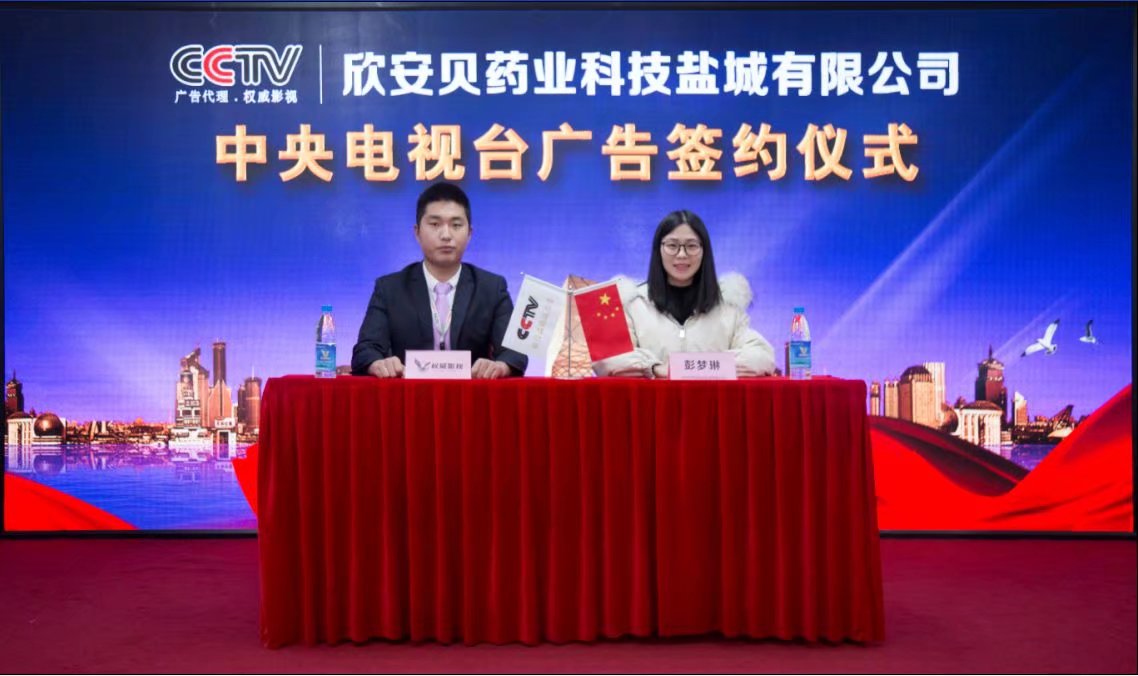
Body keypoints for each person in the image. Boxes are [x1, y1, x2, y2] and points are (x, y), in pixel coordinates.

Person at [351, 183, 528, 379]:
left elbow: (515, 352)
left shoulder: (491, 288)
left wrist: (501, 366)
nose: (446, 235)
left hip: (471, 395)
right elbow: (365, 350)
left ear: (469, 233)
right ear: (417, 232)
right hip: (409, 394)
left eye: (456, 225)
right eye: (435, 224)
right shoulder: (390, 288)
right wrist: (378, 363)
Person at [592, 209, 777, 378]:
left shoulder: (727, 306)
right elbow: (606, 358)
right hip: (650, 403)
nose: (681, 254)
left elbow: (762, 356)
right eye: (672, 245)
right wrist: (654, 368)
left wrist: (698, 367)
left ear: (704, 251)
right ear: (658, 249)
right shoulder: (632, 302)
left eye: (691, 246)